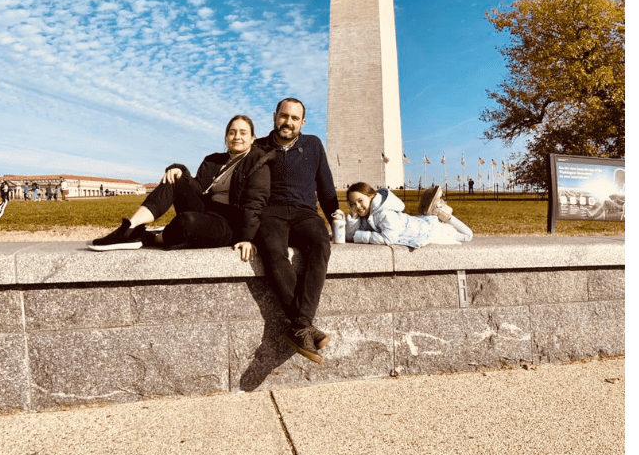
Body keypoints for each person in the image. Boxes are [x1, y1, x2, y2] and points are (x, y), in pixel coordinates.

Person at [88, 115, 274, 259]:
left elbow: (255, 203)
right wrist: (178, 170)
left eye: (243, 132)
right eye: (232, 132)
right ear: (226, 137)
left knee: (187, 222)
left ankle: (151, 237)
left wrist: (247, 238)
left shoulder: (256, 161)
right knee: (174, 178)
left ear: (252, 138)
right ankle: (129, 228)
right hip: (205, 209)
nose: (237, 137)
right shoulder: (213, 160)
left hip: (228, 223)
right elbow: (198, 187)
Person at [253, 98, 342, 365]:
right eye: (284, 116)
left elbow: (325, 184)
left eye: (294, 118)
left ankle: (299, 325)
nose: (288, 122)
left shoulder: (313, 144)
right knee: (273, 250)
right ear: (274, 116)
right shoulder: (258, 148)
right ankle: (304, 327)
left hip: (305, 213)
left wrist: (335, 215)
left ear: (302, 123)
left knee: (320, 245)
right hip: (272, 212)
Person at [345, 183, 473, 247]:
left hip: (428, 230)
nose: (357, 206)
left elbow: (389, 239)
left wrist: (361, 236)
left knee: (468, 235)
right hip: (415, 225)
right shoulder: (367, 214)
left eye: (360, 201)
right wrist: (353, 218)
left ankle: (442, 213)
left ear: (371, 196)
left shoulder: (384, 214)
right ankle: (434, 212)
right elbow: (351, 235)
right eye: (352, 204)